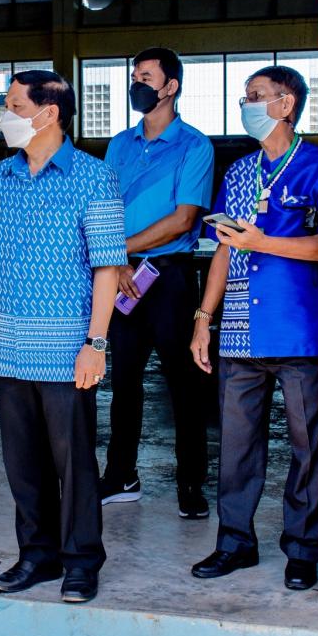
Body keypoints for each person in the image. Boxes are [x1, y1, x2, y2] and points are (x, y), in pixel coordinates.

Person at [0, 70, 126, 603]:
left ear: (48, 113)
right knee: (23, 464)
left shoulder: (93, 177)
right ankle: (37, 555)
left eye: (14, 106)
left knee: (73, 463)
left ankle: (81, 561)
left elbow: (107, 268)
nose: (4, 116)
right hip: (8, 347)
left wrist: (96, 343)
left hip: (66, 350)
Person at [188, 65, 318, 591]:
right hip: (241, 330)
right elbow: (225, 250)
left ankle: (303, 549)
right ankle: (235, 543)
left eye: (256, 96)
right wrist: (204, 319)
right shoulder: (240, 172)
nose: (246, 104)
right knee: (237, 445)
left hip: (299, 328)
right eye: (245, 96)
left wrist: (261, 242)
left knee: (307, 446)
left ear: (286, 104)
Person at [101, 47, 215, 519]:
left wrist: (121, 249)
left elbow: (183, 219)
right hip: (122, 275)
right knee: (123, 380)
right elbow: (105, 208)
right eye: (134, 76)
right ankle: (121, 475)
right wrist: (116, 261)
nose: (137, 84)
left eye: (146, 77)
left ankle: (191, 481)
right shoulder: (119, 145)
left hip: (168, 277)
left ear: (171, 87)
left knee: (183, 382)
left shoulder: (194, 146)